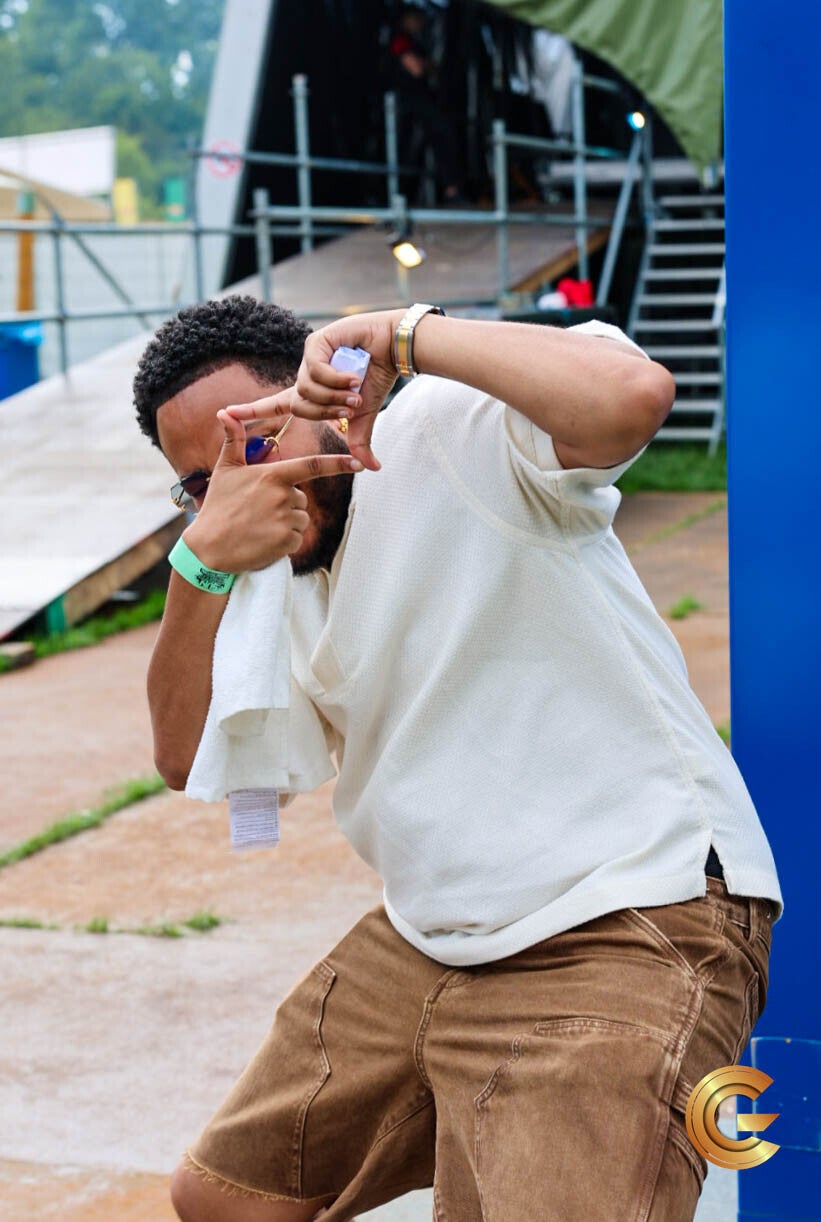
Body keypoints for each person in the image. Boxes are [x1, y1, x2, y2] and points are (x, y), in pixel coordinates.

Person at [133, 295, 781, 1222]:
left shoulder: (444, 434)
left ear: (323, 396)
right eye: (203, 483)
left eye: (257, 440)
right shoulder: (269, 577)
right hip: (431, 937)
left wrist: (401, 335)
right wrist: (198, 564)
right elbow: (181, 753)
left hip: (624, 910)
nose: (242, 485)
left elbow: (632, 396)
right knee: (225, 1198)